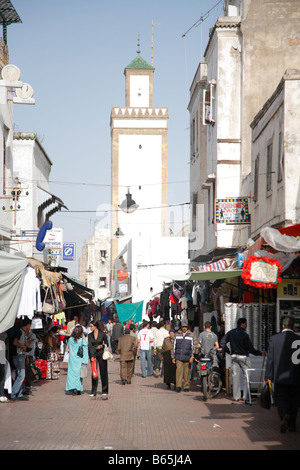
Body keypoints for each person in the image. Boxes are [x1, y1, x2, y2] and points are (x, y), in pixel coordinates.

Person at [265, 316, 300, 433]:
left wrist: (268, 376)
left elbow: (270, 360)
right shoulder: (298, 339)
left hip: (279, 375)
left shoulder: (274, 339)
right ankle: (292, 424)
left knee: (281, 399)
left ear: (283, 326)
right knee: (295, 399)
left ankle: (283, 415)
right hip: (296, 375)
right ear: (293, 327)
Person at [223, 317, 265, 402]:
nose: (246, 325)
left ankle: (236, 396)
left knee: (235, 376)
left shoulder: (230, 333)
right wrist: (259, 353)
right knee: (247, 376)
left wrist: (228, 351)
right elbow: (250, 348)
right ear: (242, 324)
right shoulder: (245, 334)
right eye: (246, 323)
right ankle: (245, 396)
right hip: (243, 357)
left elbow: (222, 343)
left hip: (234, 357)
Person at [11, 318, 33, 401]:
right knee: (21, 375)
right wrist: (22, 346)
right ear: (27, 325)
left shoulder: (23, 333)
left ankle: (19, 393)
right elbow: (15, 342)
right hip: (18, 355)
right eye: (30, 325)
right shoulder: (19, 332)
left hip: (21, 355)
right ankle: (13, 393)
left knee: (19, 375)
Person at [88, 320, 109, 400]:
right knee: (94, 373)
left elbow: (107, 344)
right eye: (90, 326)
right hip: (94, 355)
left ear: (95, 326)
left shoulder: (102, 334)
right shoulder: (90, 335)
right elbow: (90, 346)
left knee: (103, 372)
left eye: (91, 326)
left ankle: (105, 390)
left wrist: (102, 346)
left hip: (101, 354)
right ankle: (93, 391)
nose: (90, 328)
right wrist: (91, 356)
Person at [172, 319, 194, 392]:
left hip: (187, 357)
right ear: (181, 326)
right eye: (183, 326)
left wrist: (192, 356)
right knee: (178, 372)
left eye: (185, 327)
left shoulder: (191, 335)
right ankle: (178, 386)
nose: (184, 328)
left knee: (187, 373)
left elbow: (193, 347)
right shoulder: (176, 334)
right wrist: (173, 357)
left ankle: (186, 387)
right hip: (178, 357)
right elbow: (173, 346)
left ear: (187, 327)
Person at [65, 325, 88, 396]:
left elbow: (68, 349)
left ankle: (72, 388)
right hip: (80, 359)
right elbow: (85, 351)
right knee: (79, 375)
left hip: (72, 359)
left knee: (71, 374)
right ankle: (78, 388)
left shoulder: (70, 340)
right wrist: (85, 361)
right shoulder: (82, 340)